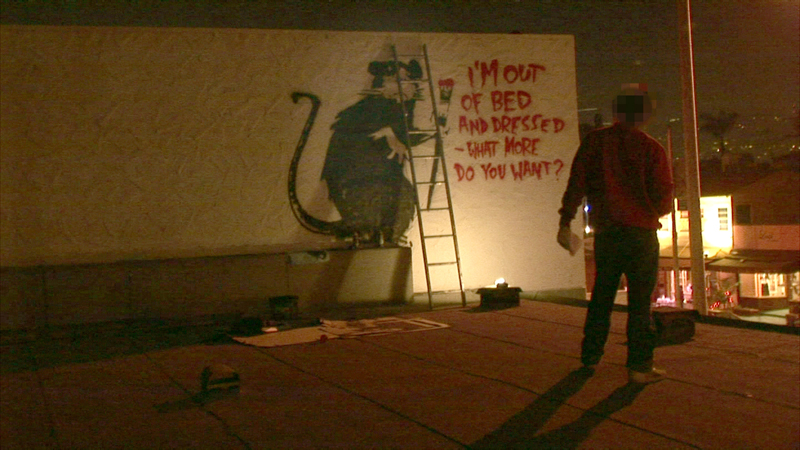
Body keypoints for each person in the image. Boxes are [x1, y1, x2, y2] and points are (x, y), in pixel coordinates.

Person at [557, 84, 674, 384]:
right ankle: (639, 366)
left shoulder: (596, 142)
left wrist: (565, 220)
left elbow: (576, 183)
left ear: (617, 111)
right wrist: (648, 209)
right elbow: (664, 199)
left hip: (607, 233)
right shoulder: (652, 148)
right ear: (644, 115)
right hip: (641, 234)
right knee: (640, 304)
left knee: (602, 296)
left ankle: (590, 356)